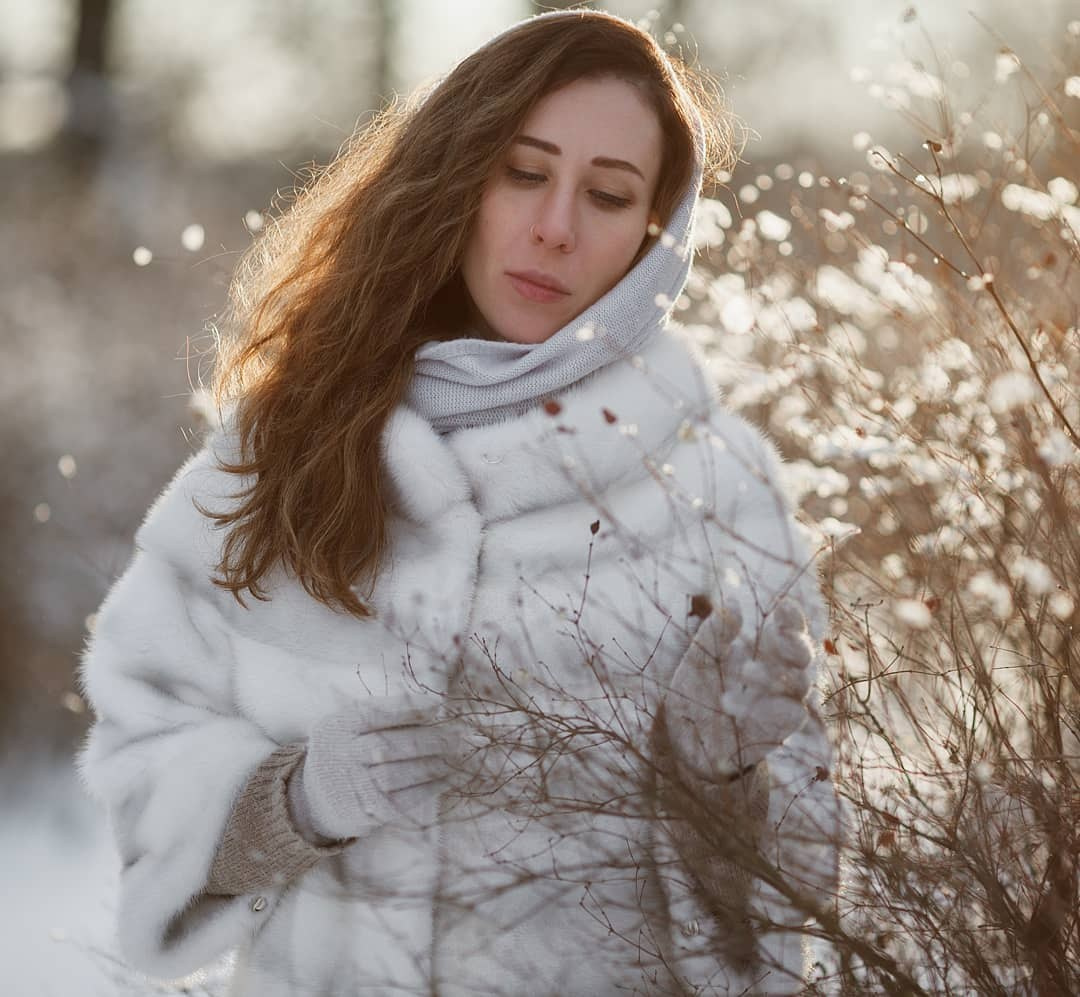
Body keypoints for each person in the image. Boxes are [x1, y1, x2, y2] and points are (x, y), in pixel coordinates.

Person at [76, 9, 840, 996]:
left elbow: (800, 915)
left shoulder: (713, 486)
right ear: (457, 174)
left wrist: (720, 780)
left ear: (655, 239)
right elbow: (144, 773)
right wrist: (296, 800)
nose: (555, 226)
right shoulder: (283, 450)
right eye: (523, 172)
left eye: (608, 195)